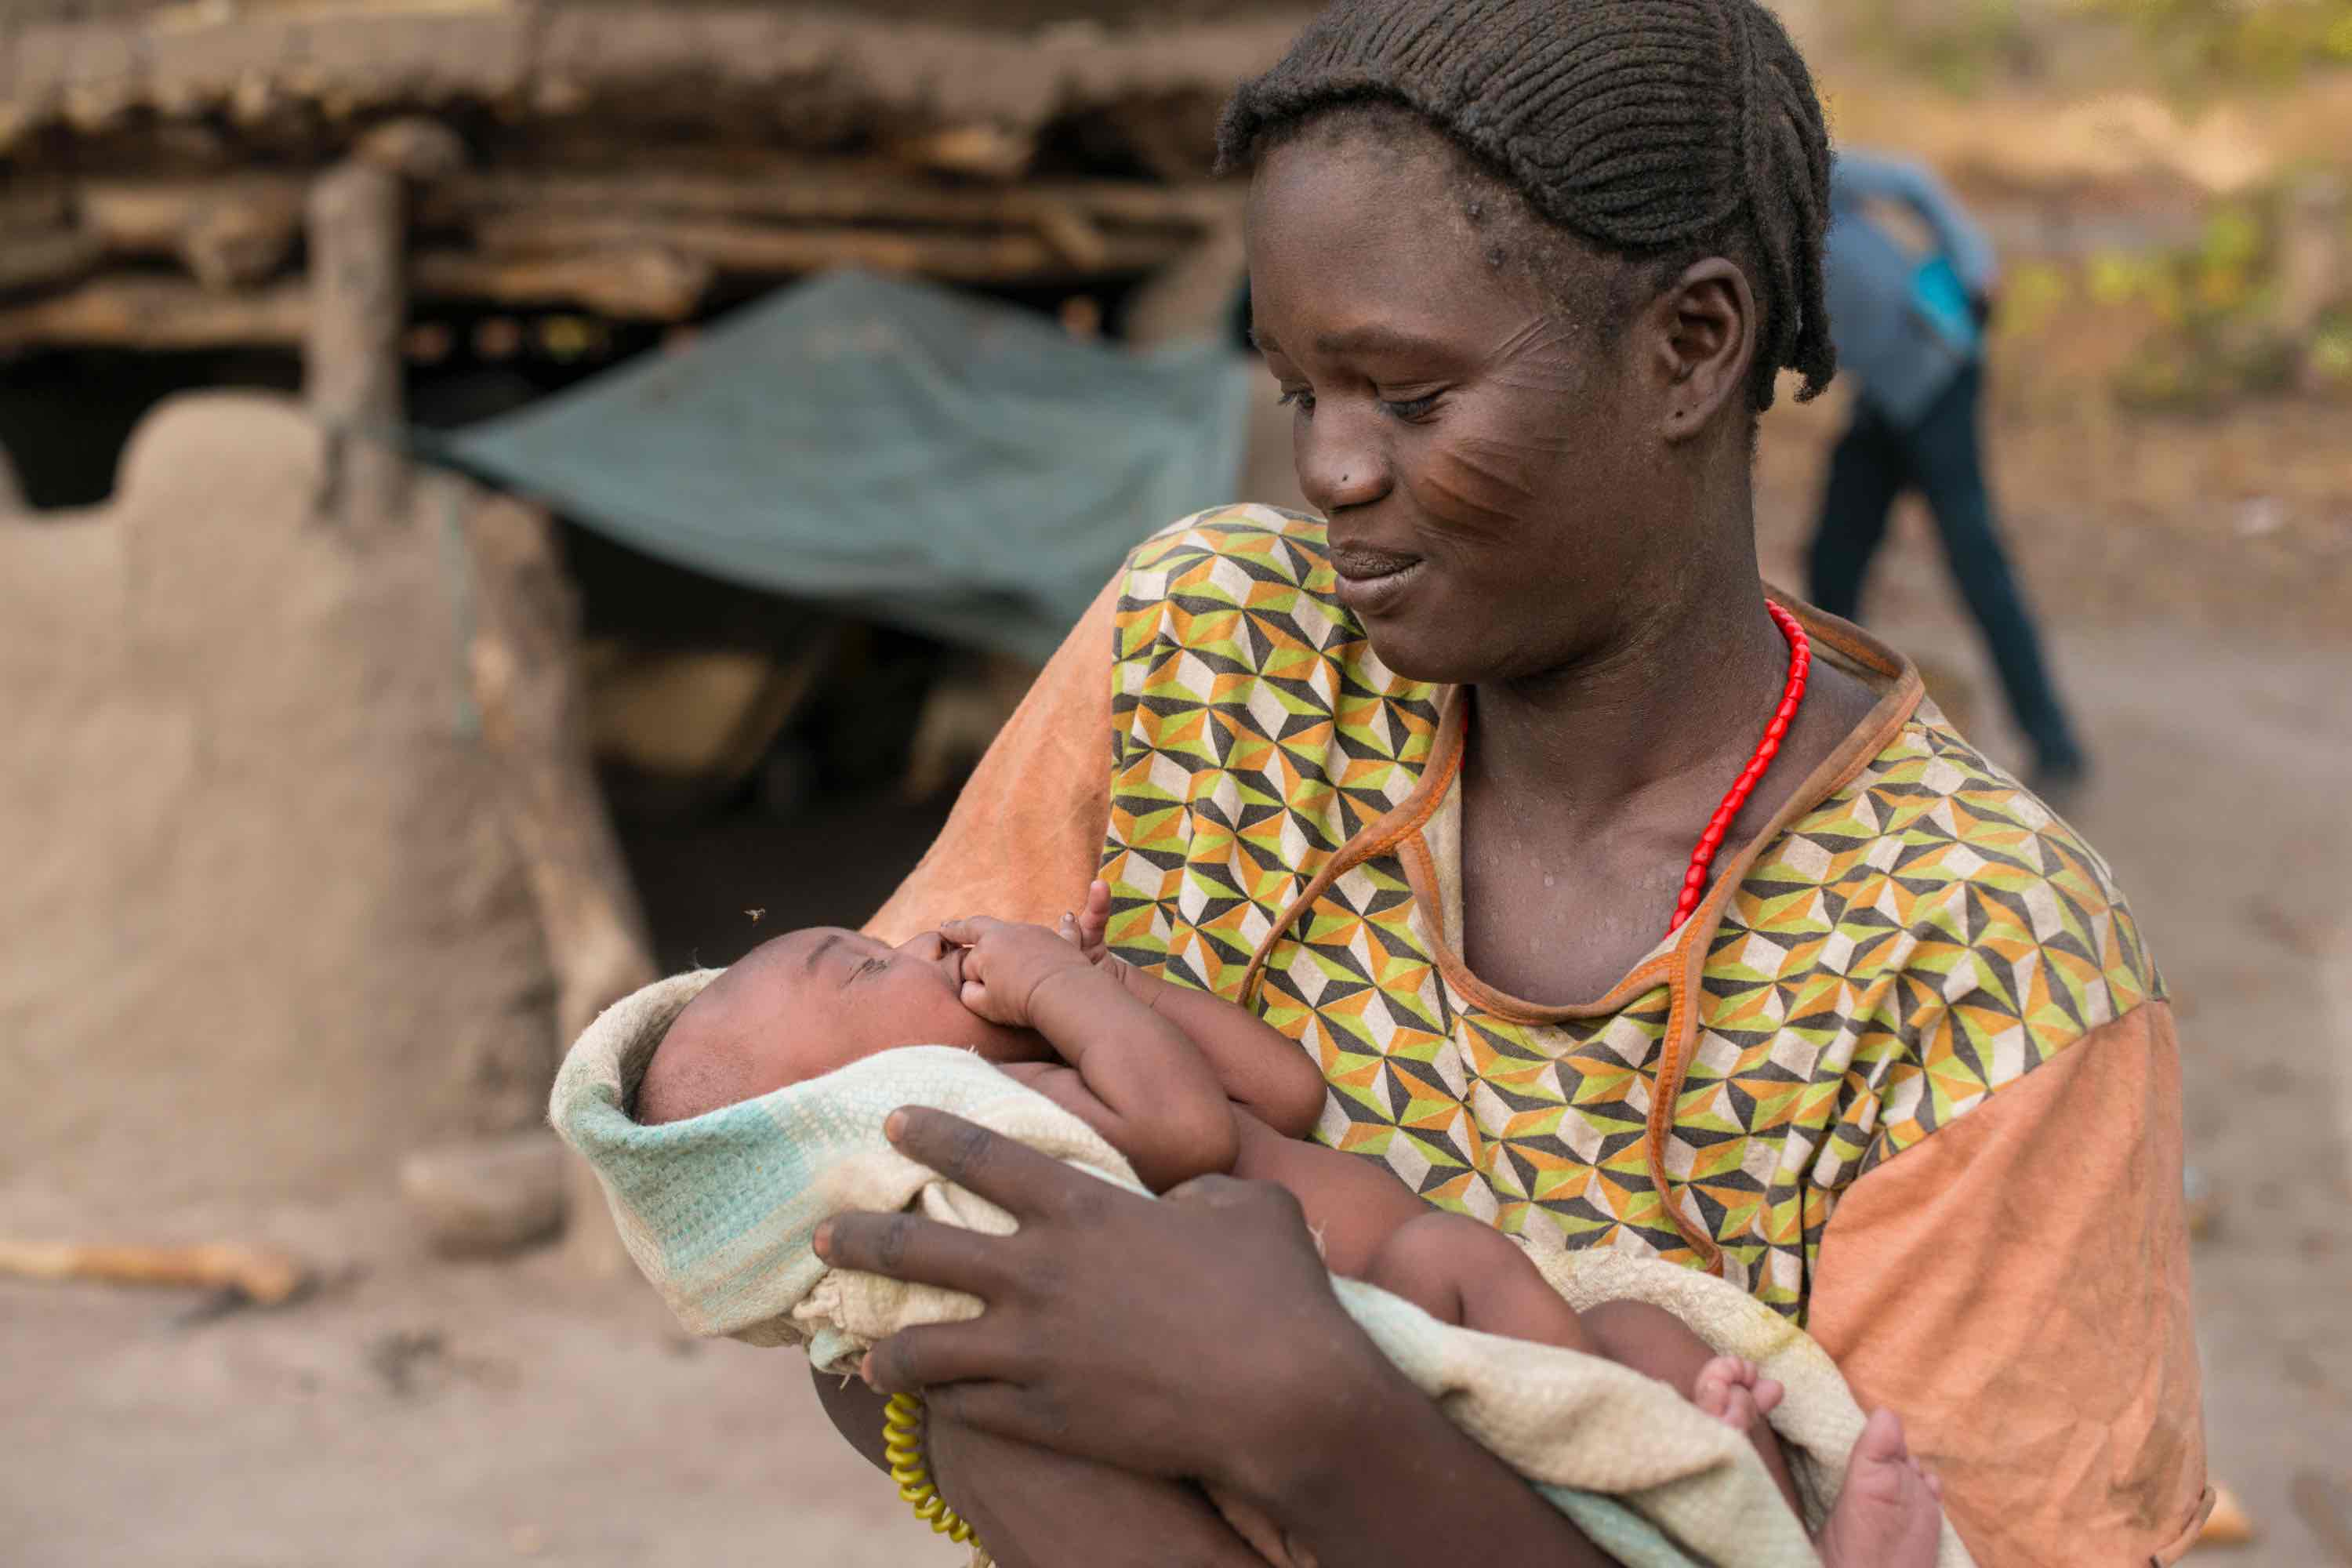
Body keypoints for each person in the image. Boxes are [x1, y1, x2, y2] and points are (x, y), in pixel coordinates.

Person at [802, 3, 2209, 1565]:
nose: (1328, 469)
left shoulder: (1980, 962)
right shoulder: (1209, 659)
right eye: (1298, 391)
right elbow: (836, 1243)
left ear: (1691, 345)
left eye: (1407, 396)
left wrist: (1310, 1418)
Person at [636, 892, 1949, 1566]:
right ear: (867, 1109)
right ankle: (1661, 1474)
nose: (910, 944)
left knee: (1656, 1339)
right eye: (865, 971)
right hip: (1392, 1316)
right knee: (1472, 1259)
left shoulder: (1065, 1042)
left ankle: (1765, 1526)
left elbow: (1279, 1091)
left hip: (1444, 1341)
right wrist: (1051, 989)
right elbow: (1191, 1141)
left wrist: (1106, 986)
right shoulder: (1008, 1118)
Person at [1811, 149, 2090, 793]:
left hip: (1937, 383)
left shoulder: (1806, 167)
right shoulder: (1737, 228)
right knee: (1833, 563)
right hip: (1880, 403)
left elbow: (1911, 181)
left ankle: (2055, 744)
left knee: (1976, 562)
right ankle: (1822, 742)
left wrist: (1972, 266)